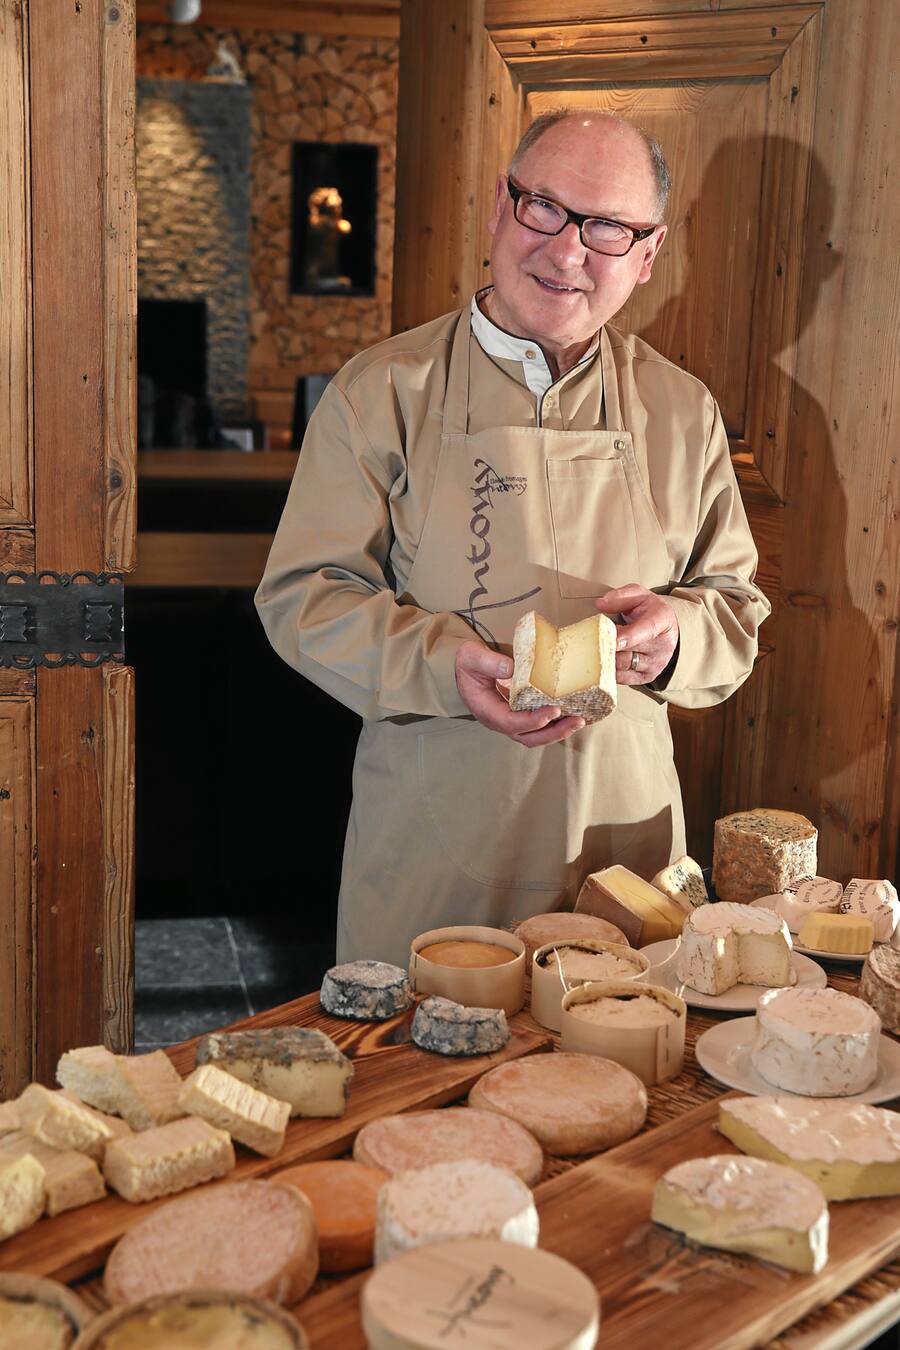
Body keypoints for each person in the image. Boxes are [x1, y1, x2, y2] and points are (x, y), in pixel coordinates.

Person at [255, 111, 770, 966]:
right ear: (501, 208)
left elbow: (735, 607)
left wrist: (676, 636)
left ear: (648, 254)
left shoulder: (684, 411)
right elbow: (302, 598)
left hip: (629, 845)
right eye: (545, 208)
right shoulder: (381, 392)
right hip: (437, 838)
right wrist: (438, 663)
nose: (567, 252)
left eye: (608, 228)